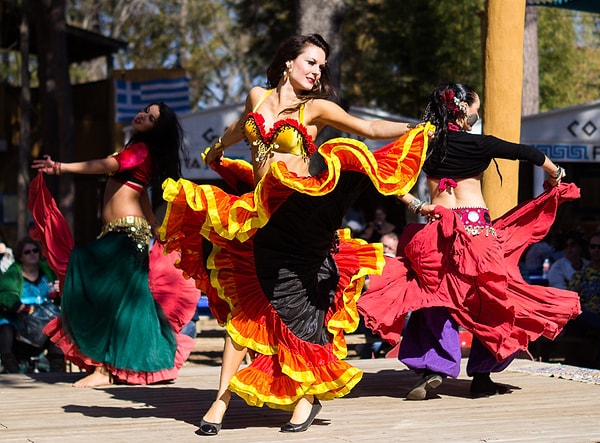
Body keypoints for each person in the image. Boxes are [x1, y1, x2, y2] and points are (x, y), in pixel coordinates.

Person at [159, 34, 430, 435]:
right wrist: (217, 148)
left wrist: (416, 127)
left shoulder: (315, 107)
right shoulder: (257, 95)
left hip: (301, 216)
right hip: (258, 217)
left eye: (321, 66)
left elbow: (368, 128)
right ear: (288, 62)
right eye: (311, 62)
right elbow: (241, 127)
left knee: (300, 307)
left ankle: (305, 398)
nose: (317, 71)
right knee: (245, 310)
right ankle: (220, 401)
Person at [358, 82, 581, 400]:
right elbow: (528, 154)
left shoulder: (425, 144)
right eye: (476, 112)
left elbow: (379, 171)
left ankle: (435, 368)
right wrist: (556, 173)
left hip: (434, 232)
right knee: (492, 301)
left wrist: (417, 204)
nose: (477, 117)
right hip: (476, 234)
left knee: (435, 300)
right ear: (463, 112)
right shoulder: (480, 144)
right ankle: (482, 375)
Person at [30, 102, 198, 387]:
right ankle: (114, 367)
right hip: (120, 233)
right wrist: (156, 227)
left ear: (157, 129)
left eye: (151, 117)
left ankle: (104, 370)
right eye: (145, 110)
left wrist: (60, 167)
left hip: (126, 235)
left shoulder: (141, 149)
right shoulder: (141, 150)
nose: (142, 114)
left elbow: (109, 165)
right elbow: (141, 194)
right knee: (111, 298)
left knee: (99, 288)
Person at [0, 237, 64, 373]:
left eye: (35, 251)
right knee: (5, 326)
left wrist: (60, 291)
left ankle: (57, 371)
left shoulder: (48, 271)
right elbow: (5, 293)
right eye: (27, 252)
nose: (32, 254)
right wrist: (15, 304)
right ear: (20, 257)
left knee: (58, 327)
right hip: (21, 316)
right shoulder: (13, 273)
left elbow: (59, 293)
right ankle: (11, 368)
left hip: (45, 317)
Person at [567, 231, 600, 368]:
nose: (597, 250)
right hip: (585, 317)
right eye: (593, 246)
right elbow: (570, 301)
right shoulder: (580, 275)